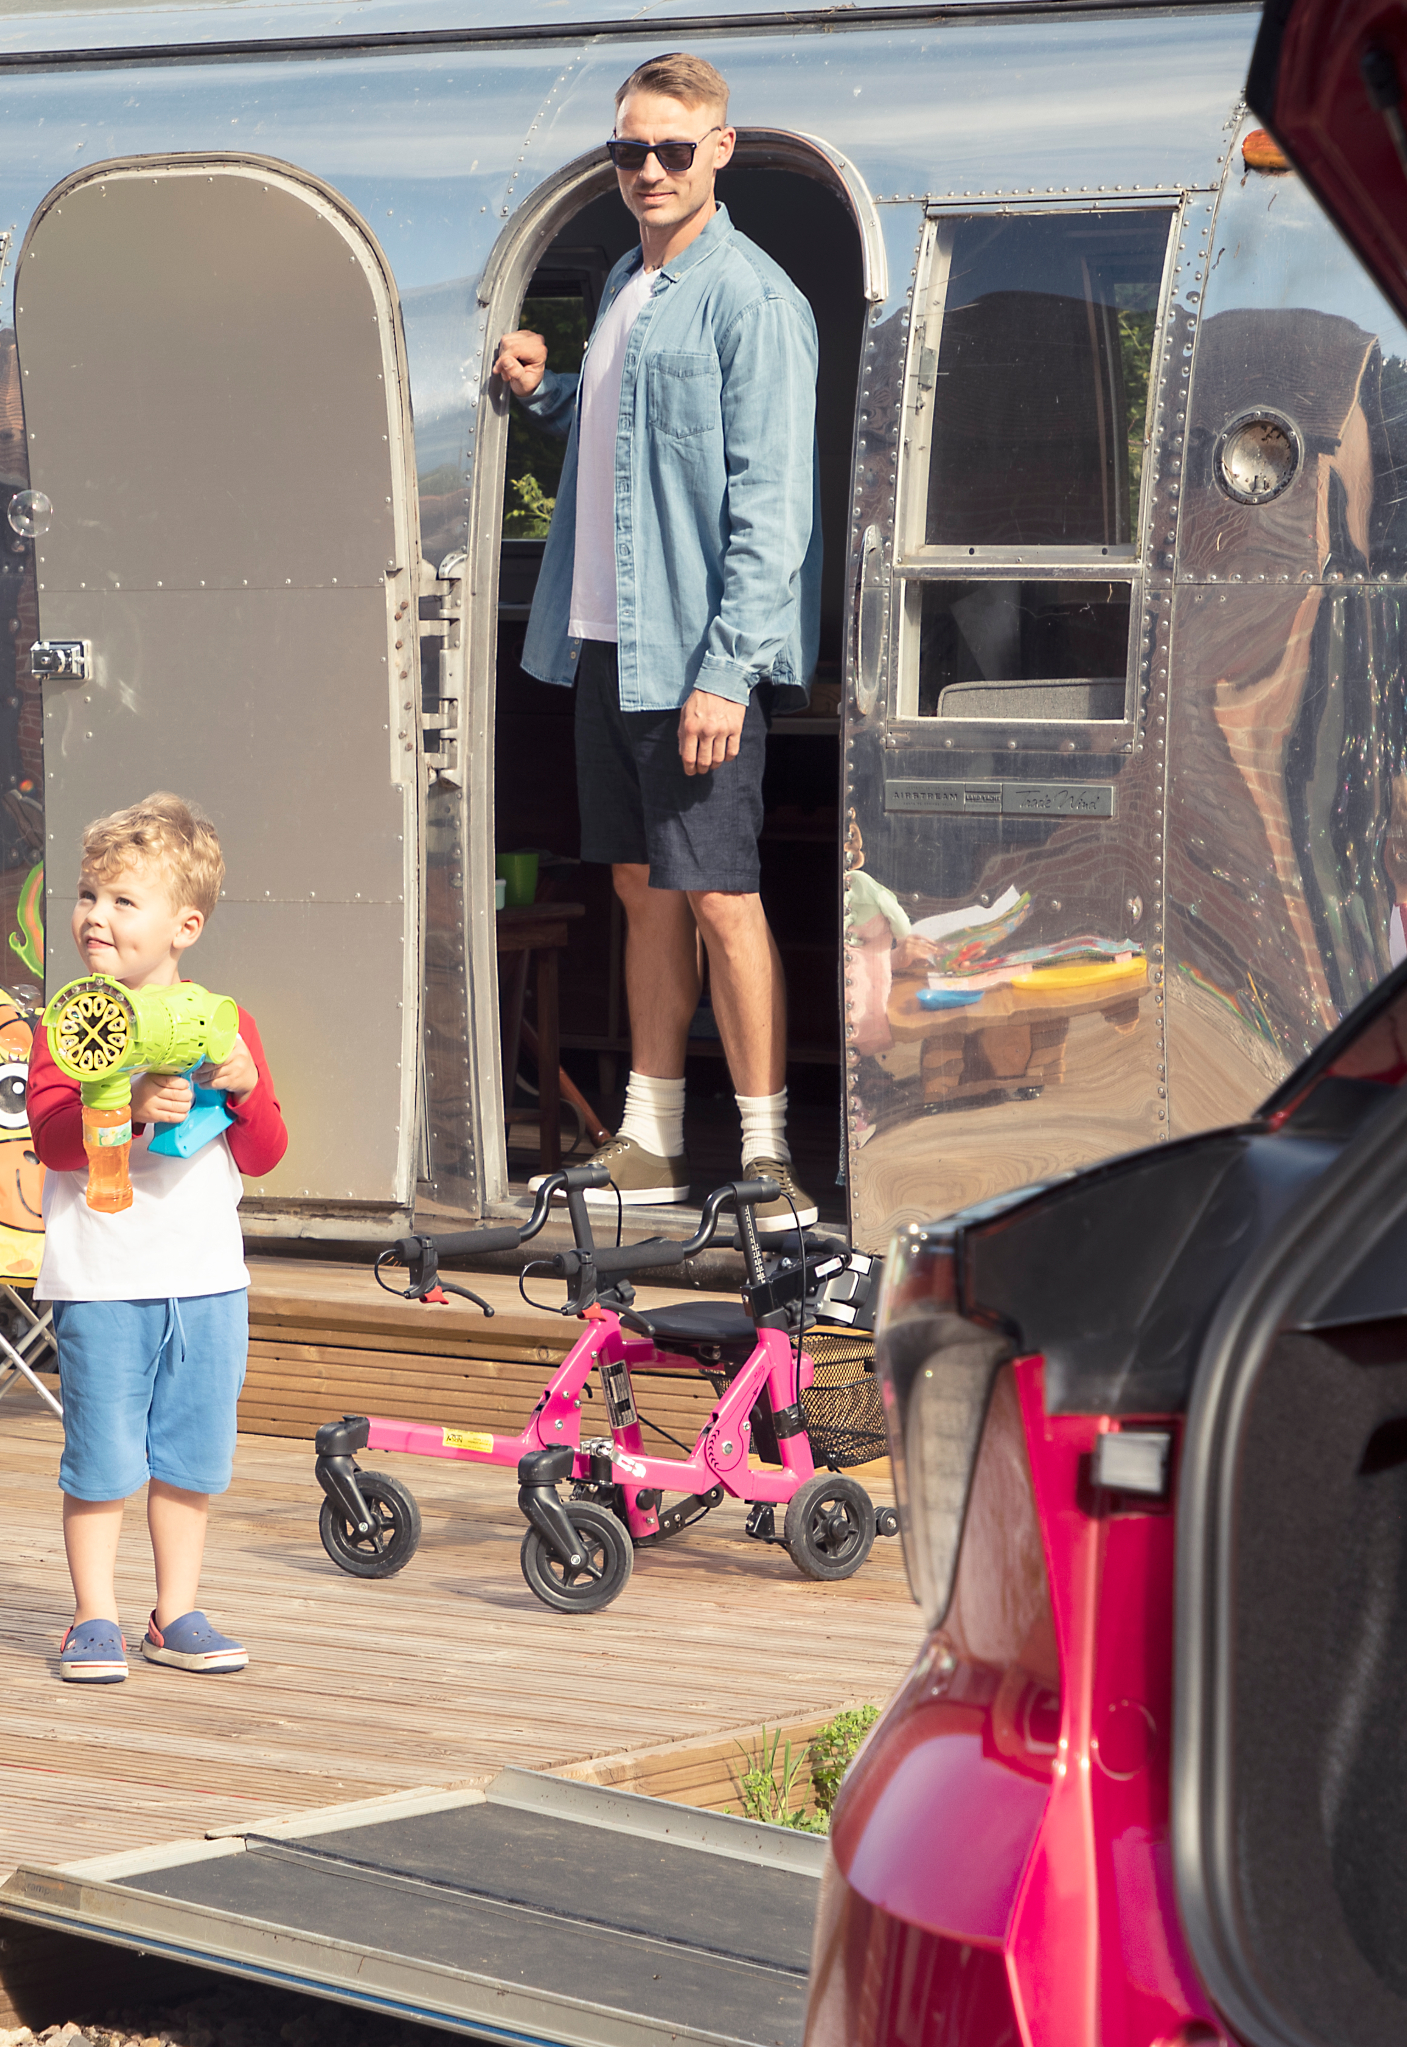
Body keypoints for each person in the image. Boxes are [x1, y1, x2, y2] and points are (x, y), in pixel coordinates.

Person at [495, 49, 823, 1222]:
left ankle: (768, 1153)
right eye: (627, 150)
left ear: (719, 150)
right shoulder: (627, 288)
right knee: (642, 891)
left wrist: (727, 671)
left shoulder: (755, 298)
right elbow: (629, 441)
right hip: (604, 646)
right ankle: (648, 1138)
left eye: (671, 149)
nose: (647, 169)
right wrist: (546, 391)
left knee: (722, 895)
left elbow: (769, 505)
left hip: (695, 659)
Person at [25, 795, 288, 1682]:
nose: (96, 915)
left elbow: (266, 1151)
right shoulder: (70, 1023)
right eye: (89, 894)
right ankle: (91, 1616)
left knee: (192, 1457)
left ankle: (175, 1613)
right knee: (101, 1458)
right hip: (101, 1278)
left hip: (208, 1279)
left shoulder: (225, 1021)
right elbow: (53, 1143)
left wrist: (245, 1086)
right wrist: (128, 1107)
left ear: (186, 926)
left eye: (122, 901)